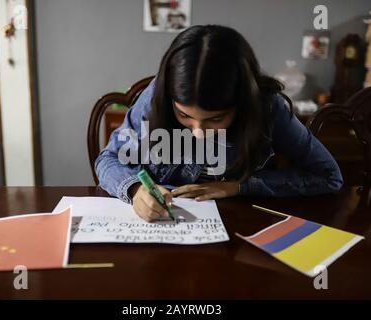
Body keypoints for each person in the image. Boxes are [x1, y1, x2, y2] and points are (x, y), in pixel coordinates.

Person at [95, 25, 343, 222]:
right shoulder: (155, 99)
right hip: (161, 229)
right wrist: (136, 189)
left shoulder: (267, 107)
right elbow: (107, 160)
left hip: (238, 232)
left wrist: (239, 187)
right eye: (184, 116)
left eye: (215, 119)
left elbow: (328, 176)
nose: (199, 132)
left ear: (243, 102)